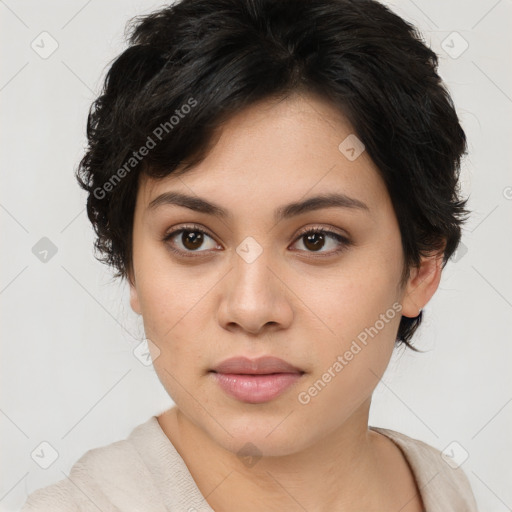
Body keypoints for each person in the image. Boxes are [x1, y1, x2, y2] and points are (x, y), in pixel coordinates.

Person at [21, 0, 479, 510]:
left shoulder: (439, 484)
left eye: (316, 239)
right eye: (192, 238)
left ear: (421, 266)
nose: (251, 308)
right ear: (130, 265)